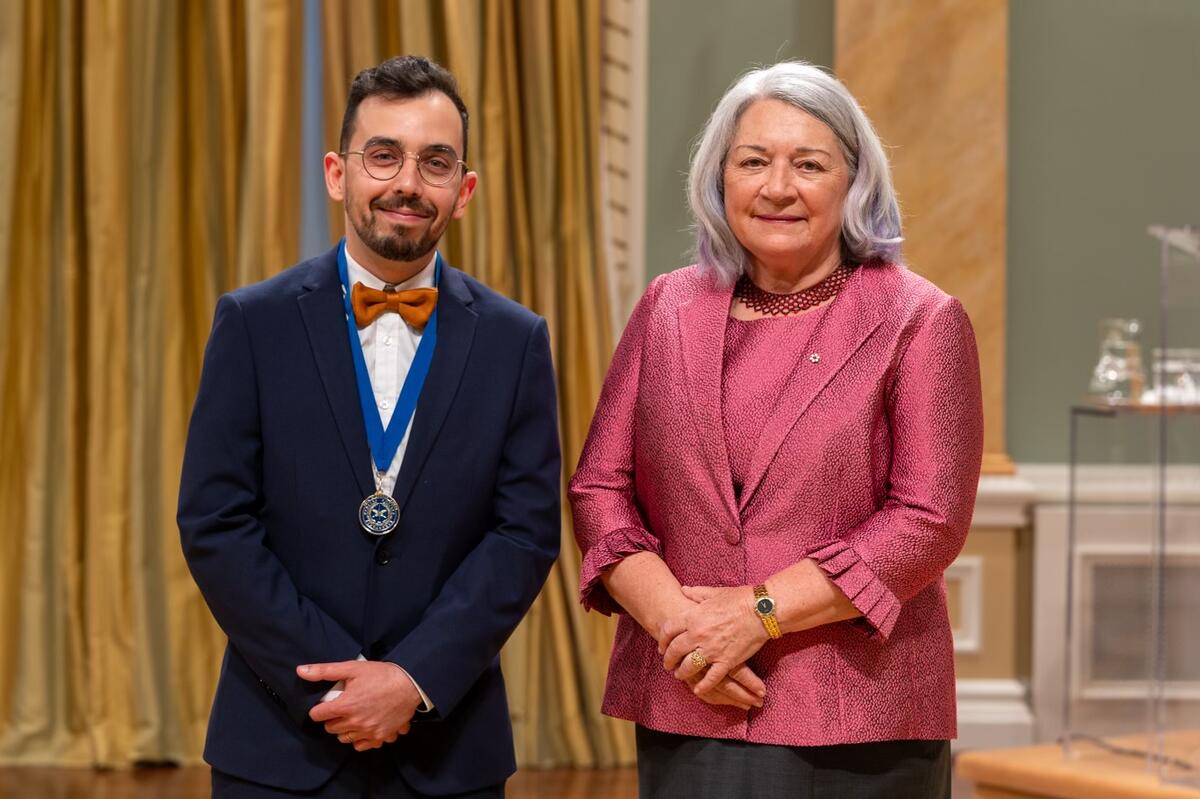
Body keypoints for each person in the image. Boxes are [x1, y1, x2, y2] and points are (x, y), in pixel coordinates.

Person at [569, 61, 983, 798]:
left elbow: (927, 520)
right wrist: (684, 629)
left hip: (861, 715)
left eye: (809, 164)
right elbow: (600, 486)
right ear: (718, 178)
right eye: (753, 161)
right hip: (693, 692)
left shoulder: (921, 318)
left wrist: (757, 613)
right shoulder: (667, 306)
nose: (777, 187)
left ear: (855, 183)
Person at [178, 55, 560, 798]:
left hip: (449, 747)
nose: (407, 183)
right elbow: (215, 523)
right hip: (279, 744)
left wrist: (413, 678)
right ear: (337, 172)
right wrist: (336, 683)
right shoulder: (252, 324)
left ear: (465, 189)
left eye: (435, 162)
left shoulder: (517, 340)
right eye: (383, 155)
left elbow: (525, 533)